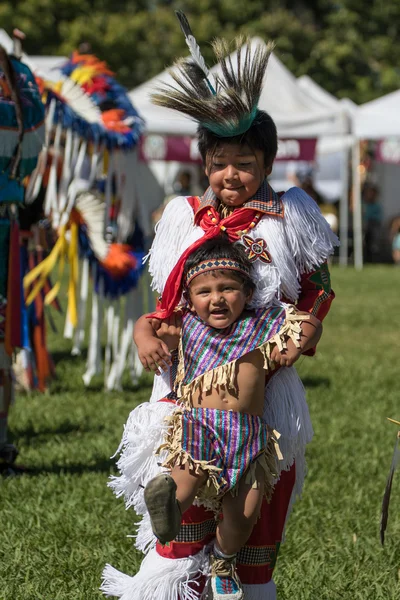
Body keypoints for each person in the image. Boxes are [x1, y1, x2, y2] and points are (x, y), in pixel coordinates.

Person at [102, 13, 338, 600]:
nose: (231, 175)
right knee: (180, 525)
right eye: (220, 163)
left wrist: (304, 328)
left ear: (267, 165)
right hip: (185, 391)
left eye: (246, 164)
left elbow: (319, 287)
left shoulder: (291, 214)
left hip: (265, 391)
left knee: (253, 514)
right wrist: (146, 334)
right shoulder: (182, 217)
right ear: (204, 161)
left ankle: (237, 580)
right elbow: (163, 305)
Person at [136, 237, 322, 600]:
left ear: (248, 291)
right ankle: (167, 509)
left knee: (244, 514)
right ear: (189, 298)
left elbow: (310, 320)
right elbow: (148, 321)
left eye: (228, 288)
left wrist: (298, 343)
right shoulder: (186, 325)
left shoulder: (265, 324)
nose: (217, 298)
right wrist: (145, 341)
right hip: (198, 427)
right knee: (185, 479)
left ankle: (223, 562)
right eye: (204, 291)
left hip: (249, 438)